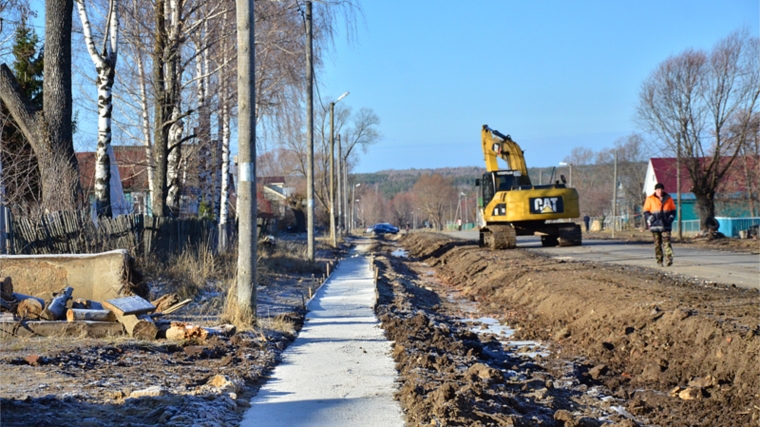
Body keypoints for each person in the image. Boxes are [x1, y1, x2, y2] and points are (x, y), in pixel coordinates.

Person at [643, 183, 677, 266]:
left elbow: (673, 210)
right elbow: (646, 211)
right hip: (655, 226)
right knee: (657, 244)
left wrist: (670, 218)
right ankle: (659, 260)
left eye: (661, 189)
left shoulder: (669, 198)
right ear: (655, 190)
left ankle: (669, 259)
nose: (660, 191)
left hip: (666, 225)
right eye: (658, 190)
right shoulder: (650, 199)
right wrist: (651, 219)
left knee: (667, 243)